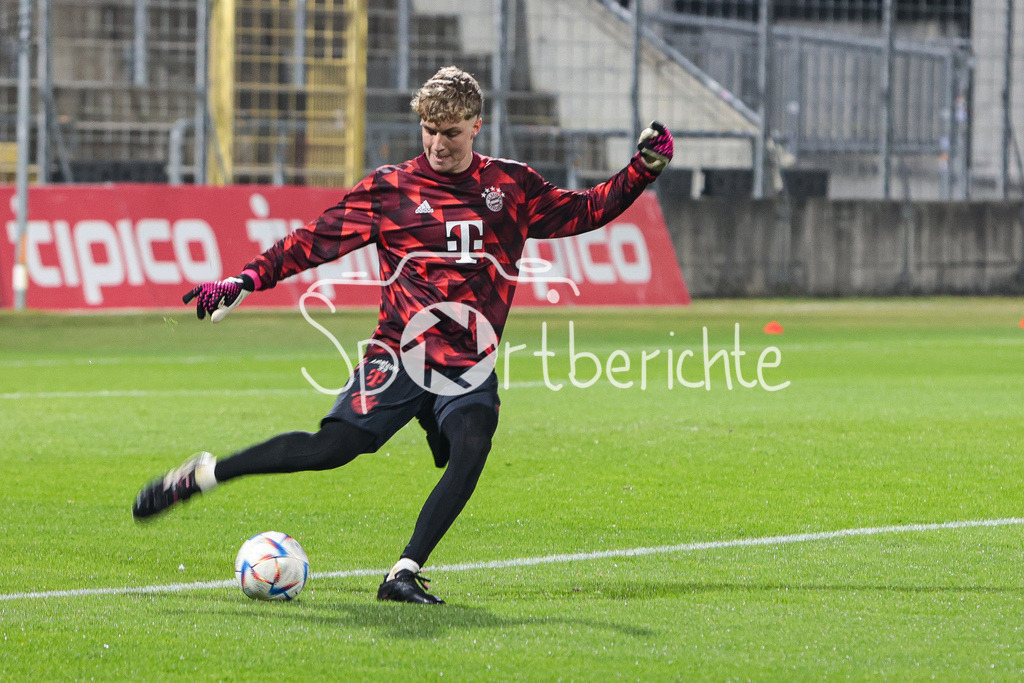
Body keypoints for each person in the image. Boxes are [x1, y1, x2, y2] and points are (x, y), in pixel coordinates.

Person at [131, 66, 674, 604]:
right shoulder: (390, 189)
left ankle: (404, 572)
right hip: (399, 353)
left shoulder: (509, 185)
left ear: (476, 126)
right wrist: (244, 279)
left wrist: (642, 169)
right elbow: (312, 241)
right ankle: (204, 475)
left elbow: (583, 211)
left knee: (472, 441)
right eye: (430, 131)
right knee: (333, 449)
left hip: (467, 360)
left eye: (452, 132)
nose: (439, 144)